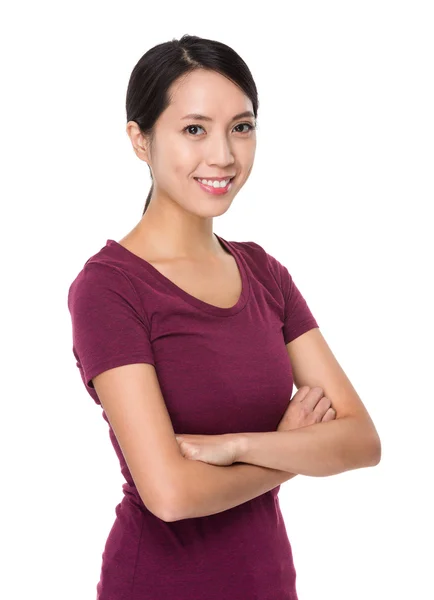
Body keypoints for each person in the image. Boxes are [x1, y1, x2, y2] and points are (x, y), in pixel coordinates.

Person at [67, 34, 381, 600]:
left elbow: (361, 440)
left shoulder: (264, 272)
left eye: (241, 126)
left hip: (269, 582)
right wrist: (290, 452)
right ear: (140, 140)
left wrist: (241, 446)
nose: (224, 156)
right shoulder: (108, 289)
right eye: (194, 129)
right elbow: (169, 494)